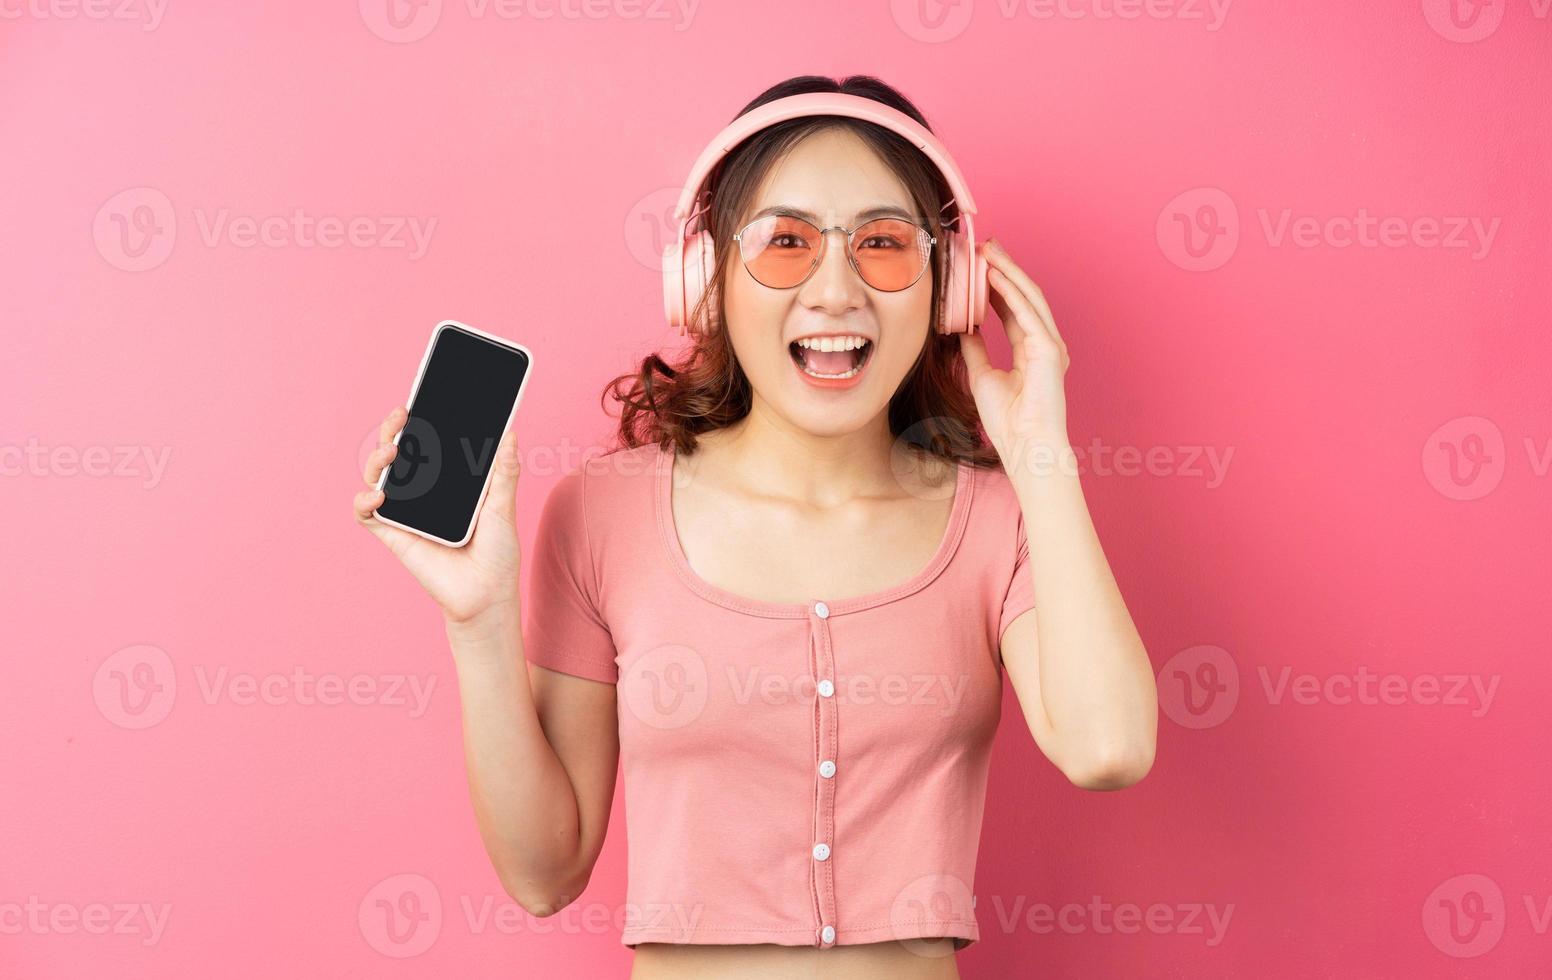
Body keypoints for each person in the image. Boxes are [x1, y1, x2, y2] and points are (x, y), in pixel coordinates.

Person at [353, 74, 1157, 980]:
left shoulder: (997, 521)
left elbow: (1110, 747)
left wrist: (1040, 453)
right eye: (785, 244)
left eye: (885, 246)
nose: (836, 290)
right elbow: (544, 874)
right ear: (705, 278)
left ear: (949, 287)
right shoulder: (601, 513)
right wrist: (479, 621)